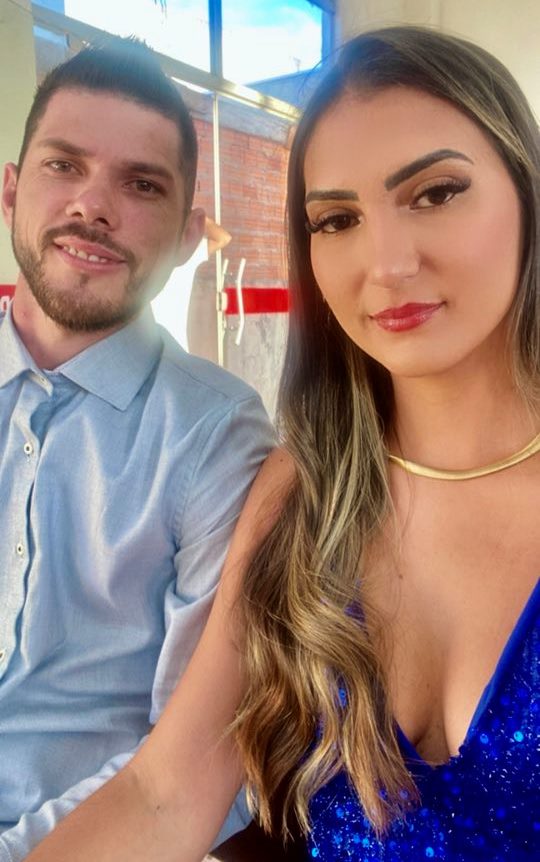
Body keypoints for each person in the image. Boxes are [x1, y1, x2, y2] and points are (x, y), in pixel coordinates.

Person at [21, 24, 540, 862]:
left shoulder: (209, 430)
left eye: (436, 193)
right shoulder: (302, 490)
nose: (386, 263)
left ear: (526, 191)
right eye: (336, 219)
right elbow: (165, 794)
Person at [0, 36, 276, 862]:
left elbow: (194, 770)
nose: (93, 206)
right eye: (64, 166)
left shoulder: (218, 435)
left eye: (142, 184)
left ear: (189, 238)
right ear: (10, 192)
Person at [151, 216, 231, 351]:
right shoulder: (147, 256)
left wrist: (196, 216)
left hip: (175, 346)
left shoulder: (187, 254)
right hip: (148, 345)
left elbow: (223, 238)